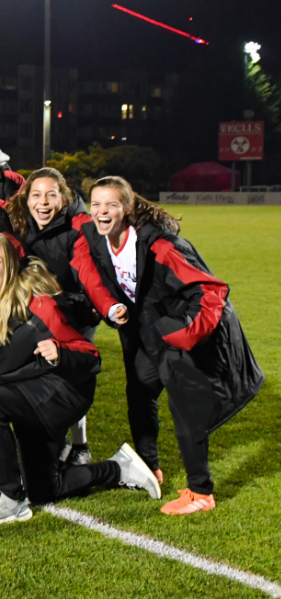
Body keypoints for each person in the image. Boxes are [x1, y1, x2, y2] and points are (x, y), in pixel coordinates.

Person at [74, 176, 263, 515]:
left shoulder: (161, 246)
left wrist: (180, 335)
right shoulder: (96, 239)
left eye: (111, 205)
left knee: (184, 407)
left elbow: (210, 290)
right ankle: (149, 466)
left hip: (177, 334)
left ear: (128, 208)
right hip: (144, 335)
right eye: (96, 205)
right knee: (140, 392)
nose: (102, 212)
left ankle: (201, 492)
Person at [0, 235, 160, 525]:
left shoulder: (38, 306)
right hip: (29, 390)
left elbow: (91, 357)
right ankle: (119, 469)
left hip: (62, 392)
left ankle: (10, 498)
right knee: (43, 490)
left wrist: (59, 353)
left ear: (10, 267)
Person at [7, 167, 101, 464]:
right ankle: (55, 441)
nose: (43, 202)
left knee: (72, 376)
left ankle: (80, 445)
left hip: (76, 315)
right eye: (36, 195)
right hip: (37, 314)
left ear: (63, 199)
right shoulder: (20, 225)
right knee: (43, 374)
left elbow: (88, 275)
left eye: (51, 195)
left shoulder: (79, 227)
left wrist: (93, 306)